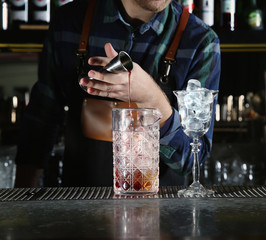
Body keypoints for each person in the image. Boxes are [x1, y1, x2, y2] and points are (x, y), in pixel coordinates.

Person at [14, 0, 220, 187]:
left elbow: (193, 160)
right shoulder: (69, 22)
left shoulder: (199, 41)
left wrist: (153, 99)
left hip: (164, 219)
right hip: (79, 212)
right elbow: (41, 121)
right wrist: (21, 205)